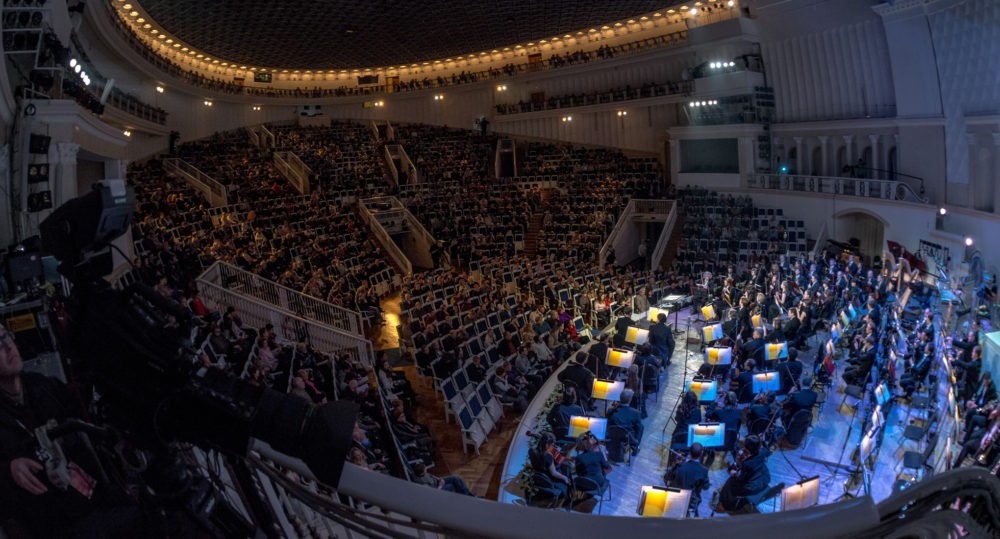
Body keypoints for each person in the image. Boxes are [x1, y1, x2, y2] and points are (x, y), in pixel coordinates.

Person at [0, 325, 141, 537]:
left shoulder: (45, 386)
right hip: (53, 523)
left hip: (97, 500)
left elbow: (91, 426)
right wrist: (8, 470)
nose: (9, 346)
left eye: (6, 337)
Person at [717, 435, 771, 513]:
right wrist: (763, 441)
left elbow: (741, 479)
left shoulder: (747, 463)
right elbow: (767, 448)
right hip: (765, 478)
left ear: (748, 449)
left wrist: (734, 473)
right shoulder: (763, 452)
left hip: (753, 486)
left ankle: (725, 504)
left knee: (731, 481)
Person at [665, 442, 709, 516]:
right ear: (701, 454)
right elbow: (706, 487)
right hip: (691, 503)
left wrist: (675, 465)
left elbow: (667, 477)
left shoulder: (679, 466)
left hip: (675, 499)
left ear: (690, 452)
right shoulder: (703, 471)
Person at [607, 389, 643, 456]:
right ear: (630, 400)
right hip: (627, 437)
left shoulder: (611, 411)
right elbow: (638, 428)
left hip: (614, 435)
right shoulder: (636, 413)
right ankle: (635, 447)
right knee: (641, 427)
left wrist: (616, 407)